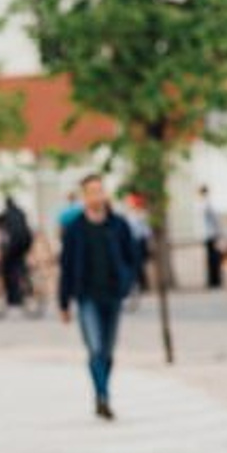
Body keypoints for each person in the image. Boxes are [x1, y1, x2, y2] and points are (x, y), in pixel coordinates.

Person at [57, 174, 139, 420]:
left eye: (100, 190)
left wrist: (127, 280)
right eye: (91, 191)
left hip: (113, 295)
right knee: (95, 348)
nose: (96, 196)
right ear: (84, 196)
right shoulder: (75, 229)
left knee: (108, 351)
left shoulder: (118, 225)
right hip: (86, 297)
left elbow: (133, 256)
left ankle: (102, 393)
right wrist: (64, 302)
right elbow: (67, 266)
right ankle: (102, 396)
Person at [0, 196, 33, 306]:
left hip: (14, 243)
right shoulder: (21, 212)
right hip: (26, 241)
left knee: (6, 267)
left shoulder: (6, 213)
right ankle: (26, 280)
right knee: (19, 262)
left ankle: (13, 297)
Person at [198, 185, 223, 289]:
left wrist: (217, 232)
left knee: (212, 258)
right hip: (209, 234)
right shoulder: (206, 203)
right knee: (211, 258)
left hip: (210, 234)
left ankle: (214, 281)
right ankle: (213, 280)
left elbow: (214, 220)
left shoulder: (207, 203)